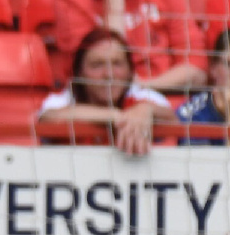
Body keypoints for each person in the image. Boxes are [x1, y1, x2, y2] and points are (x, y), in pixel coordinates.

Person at [54, 0, 206, 93]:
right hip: (98, 103)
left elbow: (195, 65)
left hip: (163, 94)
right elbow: (105, 74)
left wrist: (144, 87)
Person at [38, 28, 176, 155]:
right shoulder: (62, 100)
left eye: (117, 63)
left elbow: (173, 121)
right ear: (79, 73)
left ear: (130, 72)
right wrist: (115, 116)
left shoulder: (140, 98)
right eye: (97, 64)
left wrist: (146, 110)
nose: (109, 74)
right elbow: (48, 119)